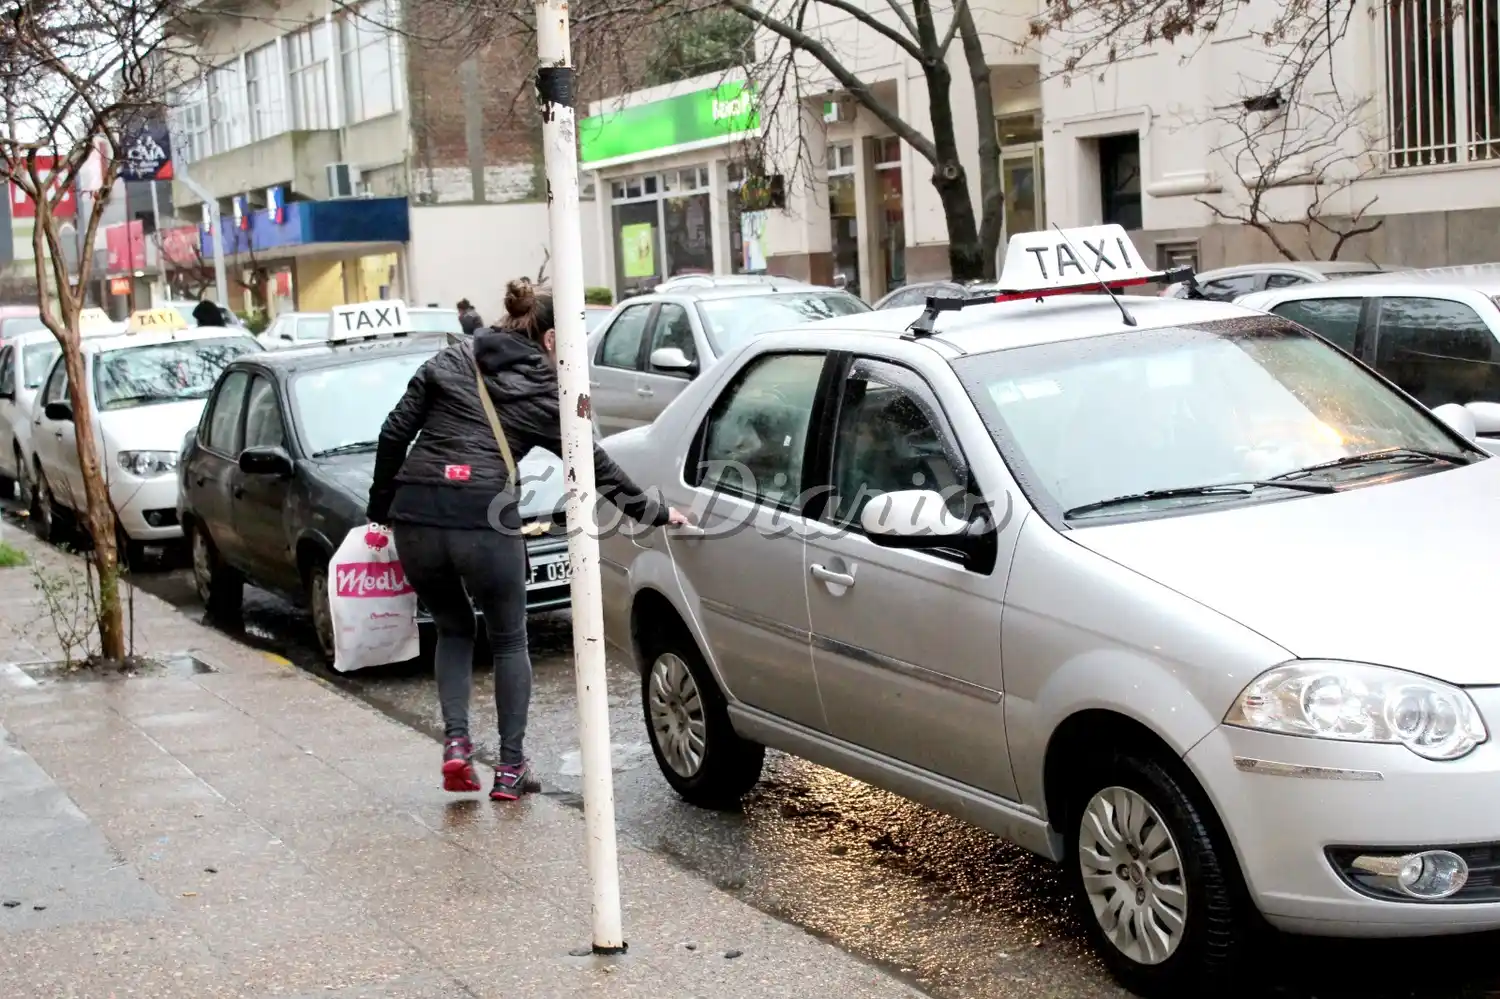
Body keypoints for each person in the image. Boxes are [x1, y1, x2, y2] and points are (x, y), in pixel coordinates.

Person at [367, 277, 690, 800]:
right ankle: (512, 768)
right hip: (480, 519)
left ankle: (456, 745)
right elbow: (593, 468)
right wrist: (653, 512)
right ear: (548, 339)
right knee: (509, 639)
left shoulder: (448, 361)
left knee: (451, 630)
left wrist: (380, 511)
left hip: (417, 516)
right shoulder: (544, 389)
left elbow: (392, 433)